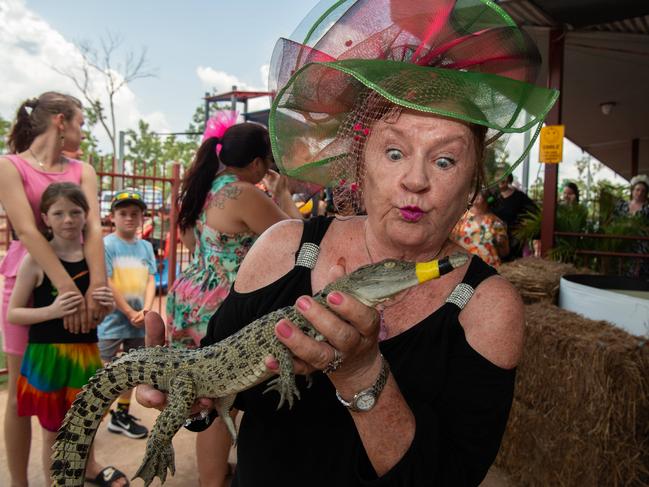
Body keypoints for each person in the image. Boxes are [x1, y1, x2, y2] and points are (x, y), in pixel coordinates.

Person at [137, 1, 558, 485]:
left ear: (472, 184)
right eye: (395, 151)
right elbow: (211, 396)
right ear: (360, 165)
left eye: (445, 160)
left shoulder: (489, 306)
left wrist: (360, 375)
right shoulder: (282, 248)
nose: (415, 180)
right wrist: (188, 399)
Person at [165, 122, 301, 487]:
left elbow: (194, 243)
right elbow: (298, 243)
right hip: (223, 306)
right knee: (219, 399)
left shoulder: (204, 188)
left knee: (212, 396)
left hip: (192, 296)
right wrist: (283, 195)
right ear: (257, 163)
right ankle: (212, 480)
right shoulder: (244, 193)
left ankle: (213, 476)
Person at [0, 92, 108, 487]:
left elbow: (94, 227)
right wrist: (68, 289)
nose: (82, 131)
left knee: (78, 376)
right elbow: (27, 230)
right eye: (80, 122)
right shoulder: (9, 166)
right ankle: (19, 482)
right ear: (61, 121)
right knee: (19, 392)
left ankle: (84, 465)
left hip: (81, 277)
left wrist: (96, 284)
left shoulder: (83, 170)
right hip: (29, 278)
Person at [7, 182, 126, 487]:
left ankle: (80, 475)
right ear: (45, 218)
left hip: (85, 354)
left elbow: (104, 308)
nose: (68, 220)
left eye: (75, 212)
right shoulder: (35, 261)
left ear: (86, 215)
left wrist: (106, 306)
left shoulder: (94, 261)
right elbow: (13, 313)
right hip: (47, 358)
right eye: (58, 213)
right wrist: (53, 310)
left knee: (83, 429)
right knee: (52, 434)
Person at [97, 190, 156, 440]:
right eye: (123, 213)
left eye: (135, 213)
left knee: (131, 369)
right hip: (112, 320)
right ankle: (95, 413)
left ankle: (121, 415)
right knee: (102, 369)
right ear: (113, 217)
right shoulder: (107, 244)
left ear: (142, 217)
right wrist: (130, 311)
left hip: (138, 322)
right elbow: (108, 281)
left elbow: (151, 278)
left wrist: (145, 309)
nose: (129, 218)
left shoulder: (145, 246)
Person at [452, 190, 509, 267]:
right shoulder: (459, 220)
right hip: (464, 269)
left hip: (490, 269)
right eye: (473, 192)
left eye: (480, 193)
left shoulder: (496, 222)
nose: (476, 195)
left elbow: (505, 252)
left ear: (487, 199)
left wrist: (501, 242)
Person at [492, 173, 538, 261]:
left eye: (504, 176)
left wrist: (524, 228)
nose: (501, 179)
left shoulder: (520, 197)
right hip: (494, 238)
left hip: (514, 241)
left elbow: (534, 213)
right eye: (498, 176)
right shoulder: (492, 196)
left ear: (509, 178)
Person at [613, 174, 649, 280]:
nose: (640, 193)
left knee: (638, 272)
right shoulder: (622, 205)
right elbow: (614, 221)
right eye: (637, 190)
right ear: (633, 191)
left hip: (641, 244)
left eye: (643, 191)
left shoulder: (647, 208)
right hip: (623, 242)